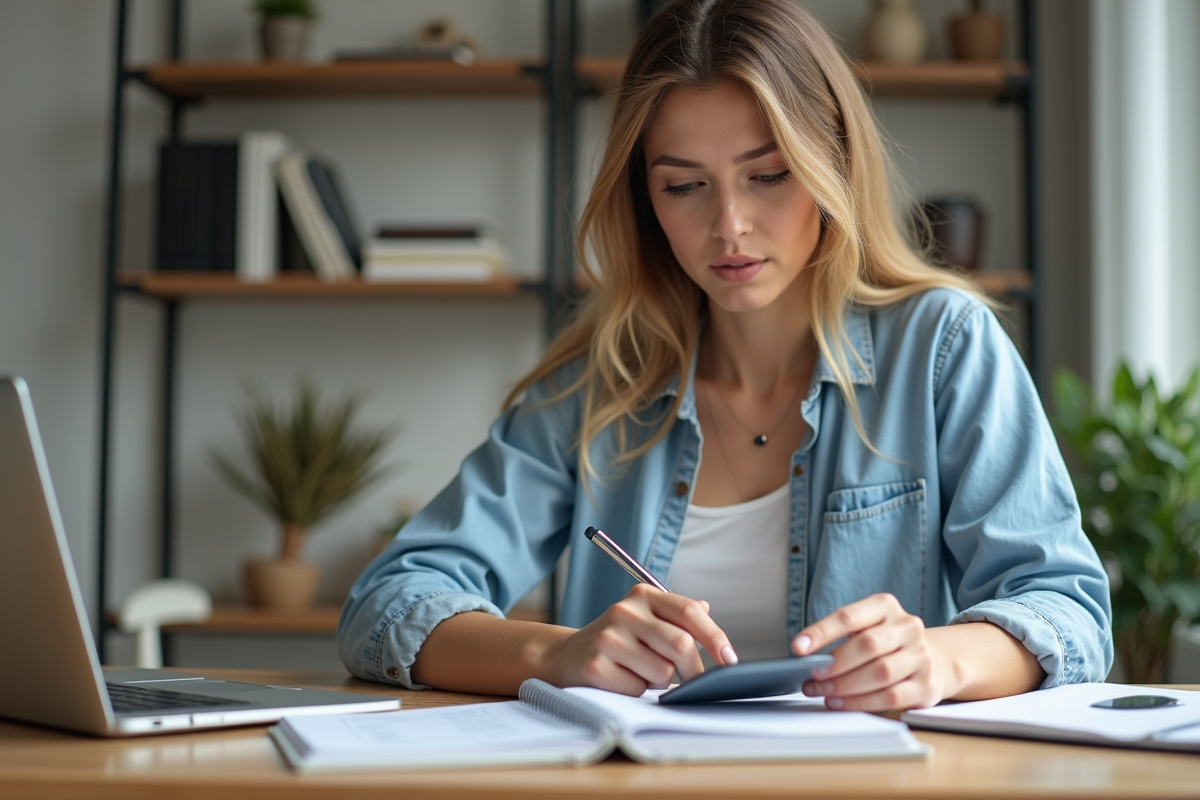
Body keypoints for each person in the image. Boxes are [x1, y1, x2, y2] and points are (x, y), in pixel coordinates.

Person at [338, 0, 1112, 711]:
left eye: (768, 176)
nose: (730, 226)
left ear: (831, 166)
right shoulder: (601, 380)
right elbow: (388, 603)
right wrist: (557, 654)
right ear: (645, 200)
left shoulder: (944, 346)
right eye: (684, 187)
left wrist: (938, 661)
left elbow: (1067, 612)